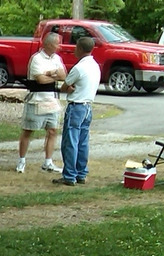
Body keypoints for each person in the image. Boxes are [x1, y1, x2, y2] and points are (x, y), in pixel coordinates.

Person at [16, 33, 67, 174]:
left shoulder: (57, 58)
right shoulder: (36, 59)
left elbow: (63, 75)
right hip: (36, 99)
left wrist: (49, 73)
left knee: (52, 131)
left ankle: (48, 162)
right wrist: (54, 76)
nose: (59, 46)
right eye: (57, 43)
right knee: (28, 130)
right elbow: (40, 80)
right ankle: (21, 161)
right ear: (49, 44)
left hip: (52, 99)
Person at [53, 35, 100, 187]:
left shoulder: (79, 68)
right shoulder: (95, 66)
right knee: (83, 141)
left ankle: (69, 175)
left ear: (79, 48)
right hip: (88, 106)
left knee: (70, 141)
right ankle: (81, 172)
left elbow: (65, 86)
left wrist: (69, 88)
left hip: (76, 106)